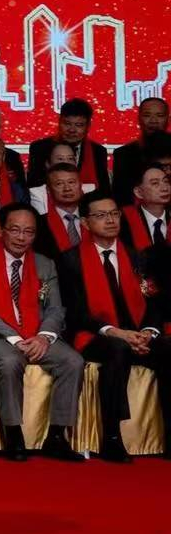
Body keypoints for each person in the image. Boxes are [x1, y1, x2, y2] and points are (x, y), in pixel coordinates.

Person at [0, 203, 85, 461]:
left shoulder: (45, 264)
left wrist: (44, 336)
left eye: (29, 232)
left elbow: (55, 309)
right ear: (0, 230)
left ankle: (56, 436)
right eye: (15, 230)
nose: (21, 237)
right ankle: (13, 434)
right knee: (9, 361)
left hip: (36, 333)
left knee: (73, 361)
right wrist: (16, 338)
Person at [62, 191, 169, 462]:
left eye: (114, 214)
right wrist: (118, 332)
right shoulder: (70, 260)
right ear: (85, 223)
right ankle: (111, 436)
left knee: (168, 348)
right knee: (117, 350)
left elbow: (154, 304)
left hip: (137, 334)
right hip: (96, 335)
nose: (110, 220)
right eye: (101, 215)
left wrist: (148, 332)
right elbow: (76, 313)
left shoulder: (136, 257)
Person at [27, 98, 110, 192]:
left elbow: (104, 189)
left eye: (79, 125)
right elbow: (33, 186)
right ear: (59, 122)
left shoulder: (98, 151)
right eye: (67, 123)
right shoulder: (40, 148)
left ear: (88, 126)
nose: (72, 130)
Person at [112, 97, 168, 198]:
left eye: (160, 115)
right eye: (147, 115)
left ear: (168, 119)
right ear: (139, 119)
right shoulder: (124, 154)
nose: (153, 121)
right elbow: (121, 196)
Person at [35, 164, 86, 261]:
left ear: (81, 185)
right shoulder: (38, 224)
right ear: (48, 190)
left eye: (71, 182)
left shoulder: (94, 217)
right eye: (59, 184)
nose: (67, 189)